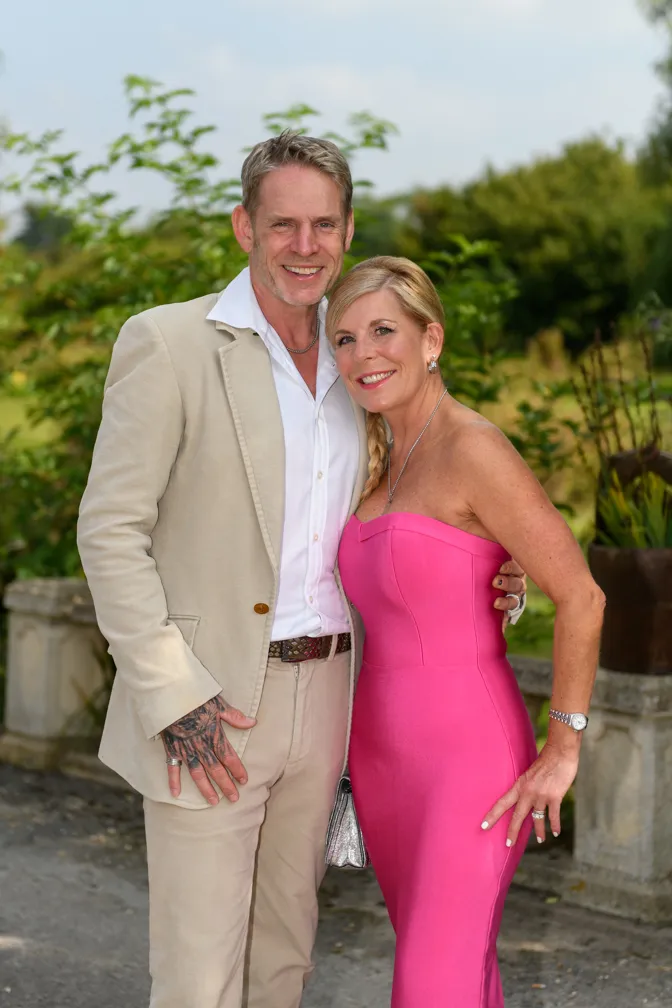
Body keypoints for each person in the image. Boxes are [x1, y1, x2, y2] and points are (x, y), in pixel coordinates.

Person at [76, 135, 526, 1008]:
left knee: (284, 960)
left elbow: (409, 508)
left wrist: (486, 575)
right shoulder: (169, 344)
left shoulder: (364, 359)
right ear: (245, 225)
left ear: (349, 230)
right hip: (209, 700)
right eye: (283, 223)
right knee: (200, 976)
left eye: (324, 224)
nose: (305, 244)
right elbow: (110, 531)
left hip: (331, 701)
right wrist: (174, 694)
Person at [327, 255, 605, 1008]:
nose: (363, 353)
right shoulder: (375, 461)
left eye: (384, 329)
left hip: (470, 762)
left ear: (431, 339)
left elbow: (581, 595)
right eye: (344, 339)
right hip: (382, 764)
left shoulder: (473, 448)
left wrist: (563, 745)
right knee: (461, 973)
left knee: (430, 984)